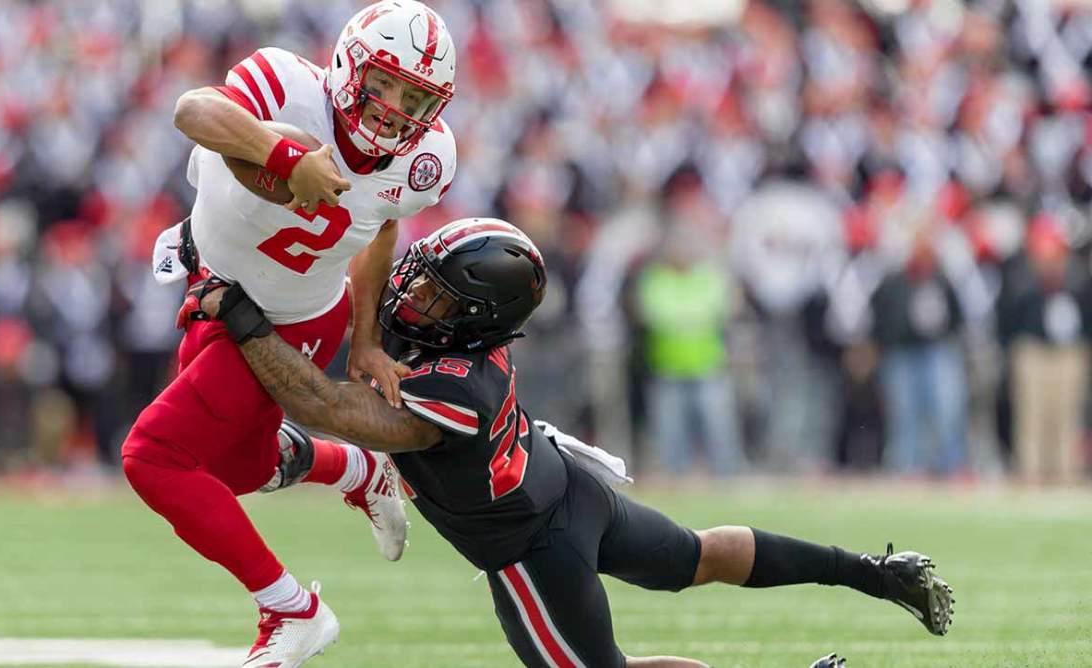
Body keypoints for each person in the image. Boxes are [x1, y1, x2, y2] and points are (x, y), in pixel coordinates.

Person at [189, 218, 955, 668]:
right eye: (418, 281)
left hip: (532, 549)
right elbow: (378, 252)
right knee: (698, 556)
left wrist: (242, 314)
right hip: (571, 493)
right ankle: (871, 572)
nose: (409, 296)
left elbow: (324, 403)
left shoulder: (454, 387)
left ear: (473, 316)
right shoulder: (464, 338)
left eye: (433, 294)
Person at [119, 2, 458, 666]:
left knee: (154, 456)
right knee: (234, 467)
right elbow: (192, 110)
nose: (395, 110)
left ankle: (291, 610)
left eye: (416, 98)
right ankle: (357, 469)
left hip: (288, 321)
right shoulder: (287, 84)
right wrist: (285, 157)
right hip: (216, 287)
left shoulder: (426, 160)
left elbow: (383, 225)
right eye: (384, 84)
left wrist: (366, 339)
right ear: (350, 67)